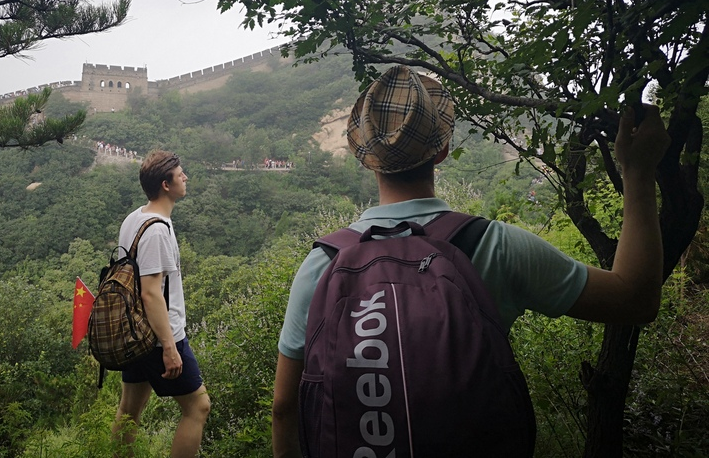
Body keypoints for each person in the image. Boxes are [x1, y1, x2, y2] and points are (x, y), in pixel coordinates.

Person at [271, 65, 671, 457]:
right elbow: (635, 299)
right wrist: (637, 172)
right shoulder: (494, 246)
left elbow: (284, 408)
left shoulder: (323, 264)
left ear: (365, 159)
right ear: (442, 150)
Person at [112, 150, 210, 457]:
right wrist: (169, 347)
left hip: (133, 331)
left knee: (130, 408)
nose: (185, 177)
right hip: (158, 336)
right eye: (180, 174)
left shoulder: (135, 219)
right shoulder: (156, 230)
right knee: (198, 407)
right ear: (166, 185)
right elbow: (151, 293)